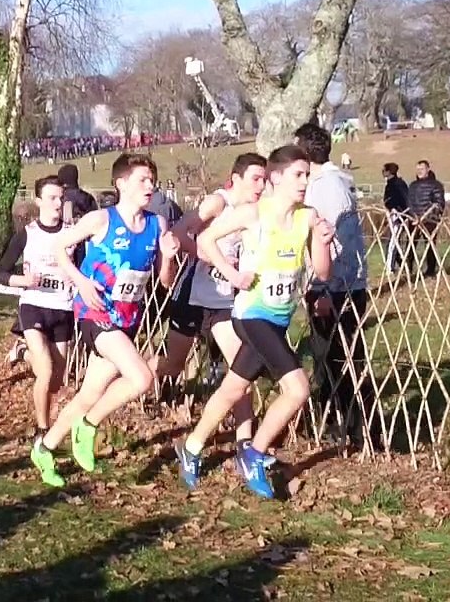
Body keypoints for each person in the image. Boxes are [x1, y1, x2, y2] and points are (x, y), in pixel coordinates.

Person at [174, 144, 334, 499]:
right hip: (251, 315)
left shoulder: (307, 217)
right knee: (298, 389)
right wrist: (231, 273)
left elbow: (322, 271)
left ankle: (193, 446)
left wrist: (322, 242)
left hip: (279, 319)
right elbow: (205, 238)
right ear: (276, 178)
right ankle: (253, 453)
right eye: (298, 175)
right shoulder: (251, 214)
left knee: (234, 388)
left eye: (307, 175)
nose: (305, 182)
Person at [29, 154, 180, 488]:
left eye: (152, 180)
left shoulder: (158, 224)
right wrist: (80, 281)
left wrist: (168, 258)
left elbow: (165, 281)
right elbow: (58, 247)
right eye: (142, 179)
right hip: (94, 312)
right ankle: (90, 424)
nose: (150, 186)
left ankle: (45, 447)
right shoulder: (100, 220)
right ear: (121, 183)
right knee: (141, 378)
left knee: (88, 393)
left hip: (128, 317)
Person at [155, 153, 267, 439]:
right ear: (237, 178)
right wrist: (203, 255)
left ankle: (246, 441)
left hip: (225, 303)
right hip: (193, 294)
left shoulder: (256, 211)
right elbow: (178, 232)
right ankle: (136, 377)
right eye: (255, 179)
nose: (260, 186)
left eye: (264, 180)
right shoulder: (219, 202)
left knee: (238, 371)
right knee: (173, 365)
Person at [294, 121, 374, 448]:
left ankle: (351, 427)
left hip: (336, 286)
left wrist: (323, 288)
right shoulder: (328, 182)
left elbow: (331, 241)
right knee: (330, 358)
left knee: (338, 359)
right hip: (336, 283)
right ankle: (337, 422)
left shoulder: (327, 187)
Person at [0, 176, 80, 445]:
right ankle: (43, 431)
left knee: (57, 378)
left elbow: (84, 268)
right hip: (33, 305)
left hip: (62, 307)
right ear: (39, 201)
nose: (58, 203)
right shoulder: (27, 234)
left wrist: (74, 275)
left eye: (61, 198)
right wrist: (24, 281)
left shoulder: (73, 233)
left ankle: (23, 352)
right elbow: (0, 272)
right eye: (52, 198)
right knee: (44, 371)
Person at [407, 159, 446, 278]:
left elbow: (439, 204)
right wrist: (412, 216)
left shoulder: (436, 185)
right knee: (410, 245)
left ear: (428, 169)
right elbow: (409, 202)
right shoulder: (413, 186)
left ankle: (430, 270)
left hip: (429, 220)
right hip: (413, 220)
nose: (419, 171)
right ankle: (408, 269)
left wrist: (427, 216)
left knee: (430, 245)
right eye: (418, 169)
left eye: (422, 169)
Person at [381, 162, 410, 274]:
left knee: (392, 242)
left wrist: (399, 212)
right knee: (393, 241)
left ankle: (390, 268)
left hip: (397, 216)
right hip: (393, 215)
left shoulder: (397, 184)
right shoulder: (391, 184)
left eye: (384, 170)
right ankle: (400, 263)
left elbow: (404, 199)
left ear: (389, 171)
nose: (383, 173)